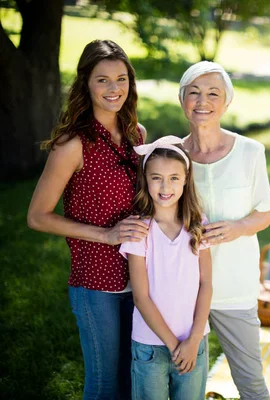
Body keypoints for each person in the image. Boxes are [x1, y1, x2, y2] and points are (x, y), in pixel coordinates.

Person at [27, 40, 148, 399]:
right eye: (103, 80)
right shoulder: (73, 144)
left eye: (121, 79)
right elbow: (37, 216)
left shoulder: (137, 137)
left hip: (141, 277)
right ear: (86, 85)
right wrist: (107, 234)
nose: (114, 89)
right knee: (104, 384)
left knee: (133, 376)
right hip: (96, 283)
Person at [179, 61, 270, 399]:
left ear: (226, 103)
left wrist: (238, 228)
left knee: (250, 382)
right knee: (186, 384)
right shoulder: (172, 154)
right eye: (194, 93)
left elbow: (265, 212)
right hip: (182, 291)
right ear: (182, 100)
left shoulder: (250, 151)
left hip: (235, 285)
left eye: (213, 94)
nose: (202, 101)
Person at [120, 136, 212, 400]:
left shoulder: (197, 225)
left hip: (194, 343)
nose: (165, 186)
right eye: (156, 177)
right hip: (150, 346)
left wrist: (193, 340)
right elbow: (141, 297)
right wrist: (175, 347)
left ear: (185, 180)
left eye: (174, 178)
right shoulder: (138, 230)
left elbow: (206, 284)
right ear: (145, 180)